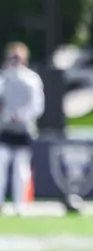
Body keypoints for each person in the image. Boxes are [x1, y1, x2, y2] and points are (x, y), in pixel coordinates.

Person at [0, 43, 45, 215]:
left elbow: (37, 105)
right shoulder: (3, 79)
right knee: (1, 166)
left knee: (21, 169)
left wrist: (21, 115)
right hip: (4, 129)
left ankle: (20, 204)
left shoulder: (32, 80)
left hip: (24, 130)